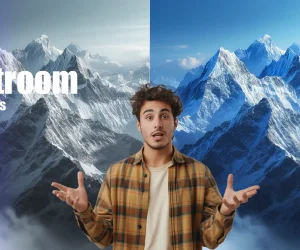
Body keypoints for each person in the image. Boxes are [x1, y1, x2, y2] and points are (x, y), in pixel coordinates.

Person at [51, 84, 260, 250]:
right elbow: (104, 238)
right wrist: (84, 211)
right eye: (149, 117)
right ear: (139, 125)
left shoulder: (199, 173)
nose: (157, 124)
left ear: (175, 123)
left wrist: (225, 210)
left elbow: (209, 240)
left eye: (164, 116)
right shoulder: (117, 174)